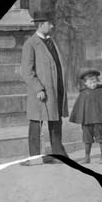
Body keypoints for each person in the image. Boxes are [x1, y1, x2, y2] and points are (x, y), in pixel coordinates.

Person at [20, 12, 69, 165]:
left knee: (56, 122)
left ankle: (58, 154)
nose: (52, 26)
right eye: (49, 24)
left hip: (55, 90)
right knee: (36, 124)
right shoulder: (30, 44)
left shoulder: (52, 42)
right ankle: (34, 158)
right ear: (41, 25)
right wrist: (38, 89)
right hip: (41, 93)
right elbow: (26, 71)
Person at [69, 69, 102, 164]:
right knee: (86, 138)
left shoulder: (101, 92)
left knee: (101, 136)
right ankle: (87, 157)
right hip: (86, 121)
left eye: (94, 81)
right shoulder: (83, 93)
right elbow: (79, 108)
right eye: (90, 82)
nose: (93, 84)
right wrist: (79, 118)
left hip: (99, 120)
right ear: (85, 83)